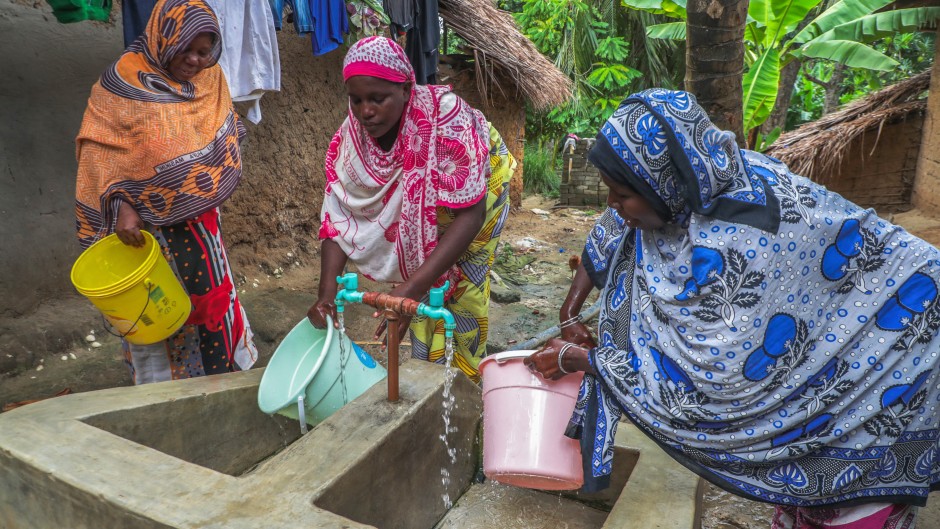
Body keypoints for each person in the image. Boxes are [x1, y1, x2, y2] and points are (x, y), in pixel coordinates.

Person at [526, 89, 938, 528]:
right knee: (805, 487)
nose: (611, 204)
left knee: (847, 488)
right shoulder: (692, 177)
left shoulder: (739, 242)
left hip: (899, 334)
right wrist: (571, 312)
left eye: (621, 194)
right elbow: (614, 228)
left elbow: (714, 384)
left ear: (662, 188)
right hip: (837, 336)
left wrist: (583, 361)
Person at [307, 37, 514, 383]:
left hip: (479, 195)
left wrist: (410, 290)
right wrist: (326, 295)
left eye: (377, 99)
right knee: (419, 293)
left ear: (405, 89)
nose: (365, 111)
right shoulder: (351, 138)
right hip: (424, 218)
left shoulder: (447, 119)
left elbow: (471, 214)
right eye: (356, 100)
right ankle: (427, 377)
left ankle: (464, 391)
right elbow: (338, 213)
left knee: (462, 293)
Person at [75, 0, 257, 384]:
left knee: (209, 298)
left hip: (200, 225)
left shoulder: (211, 79)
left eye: (204, 52)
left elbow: (227, 130)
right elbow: (98, 155)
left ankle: (220, 377)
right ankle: (162, 391)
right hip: (146, 234)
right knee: (157, 306)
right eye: (185, 49)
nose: (193, 60)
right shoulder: (121, 83)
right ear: (163, 37)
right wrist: (123, 203)